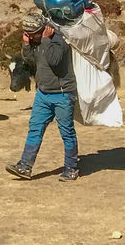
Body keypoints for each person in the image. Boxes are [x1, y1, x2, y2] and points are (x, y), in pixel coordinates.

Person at [6, 12, 79, 181]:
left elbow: (53, 60)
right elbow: (32, 61)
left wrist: (45, 39)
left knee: (66, 132)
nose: (31, 38)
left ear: (44, 30)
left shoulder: (58, 42)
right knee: (35, 129)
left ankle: (71, 168)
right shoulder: (37, 43)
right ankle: (25, 166)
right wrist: (26, 45)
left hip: (62, 94)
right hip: (43, 95)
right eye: (28, 35)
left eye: (33, 35)